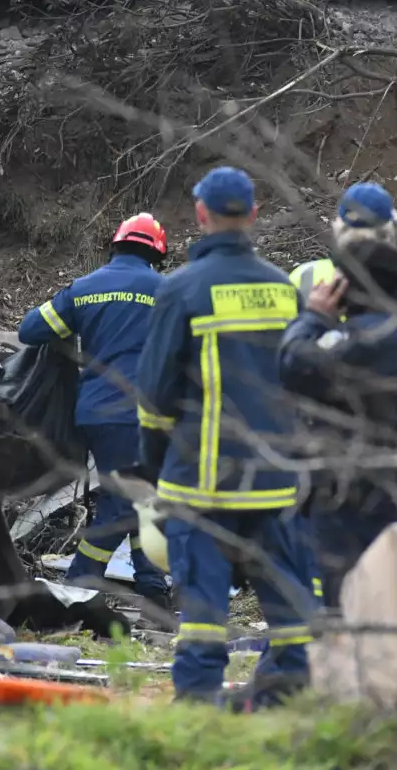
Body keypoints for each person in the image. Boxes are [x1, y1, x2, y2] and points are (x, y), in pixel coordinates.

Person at [135, 167, 318, 709]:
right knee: (289, 611)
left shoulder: (182, 290)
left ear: (200, 214)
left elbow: (152, 397)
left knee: (205, 615)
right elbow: (306, 382)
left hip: (204, 484)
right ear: (255, 217)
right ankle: (288, 703)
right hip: (277, 483)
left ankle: (197, 709)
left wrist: (156, 468)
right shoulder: (285, 290)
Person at [18, 212, 172, 603]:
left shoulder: (85, 289)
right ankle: (78, 583)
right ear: (156, 253)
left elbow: (31, 329)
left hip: (95, 413)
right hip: (144, 415)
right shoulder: (168, 291)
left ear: (116, 245)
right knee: (125, 501)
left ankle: (153, 589)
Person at [276, 239, 397, 604]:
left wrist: (313, 317)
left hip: (356, 493)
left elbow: (294, 366)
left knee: (346, 593)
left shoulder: (367, 338)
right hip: (394, 483)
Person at [289, 182, 397, 414]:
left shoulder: (305, 277)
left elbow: (282, 357)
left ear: (337, 228)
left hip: (319, 418)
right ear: (390, 230)